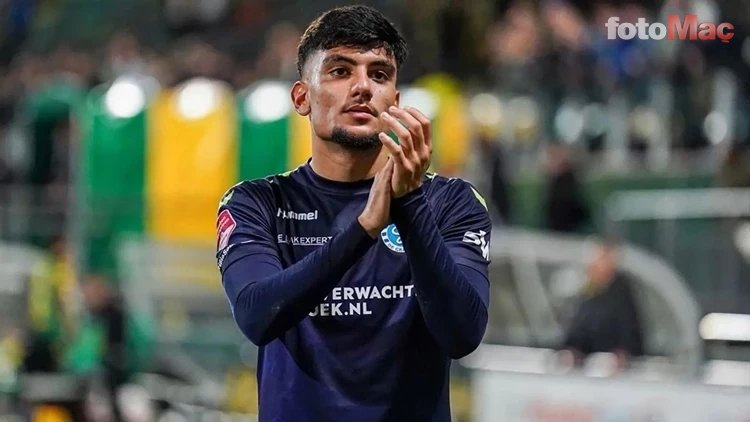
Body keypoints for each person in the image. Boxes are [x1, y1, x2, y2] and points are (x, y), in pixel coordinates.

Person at [216, 5, 491, 421]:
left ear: (395, 101)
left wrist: (410, 203)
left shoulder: (450, 202)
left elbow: (462, 334)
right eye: (340, 71)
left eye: (379, 75)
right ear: (302, 97)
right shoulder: (258, 203)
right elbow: (257, 315)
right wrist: (363, 230)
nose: (362, 87)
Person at [561, 242, 644, 370]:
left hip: (613, 367)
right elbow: (577, 333)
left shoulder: (622, 295)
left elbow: (630, 334)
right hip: (584, 365)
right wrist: (571, 351)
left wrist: (620, 356)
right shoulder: (586, 294)